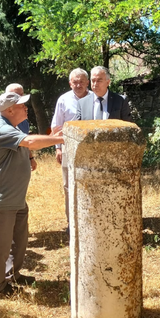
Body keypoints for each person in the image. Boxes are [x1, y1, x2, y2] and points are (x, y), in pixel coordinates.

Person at [0, 92, 64, 296]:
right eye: (21, 105)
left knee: (19, 242)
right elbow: (30, 142)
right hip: (1, 199)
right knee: (0, 246)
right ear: (9, 110)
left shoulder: (13, 128)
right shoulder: (0, 129)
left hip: (16, 198)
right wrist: (60, 139)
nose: (25, 107)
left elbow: (26, 146)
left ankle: (12, 275)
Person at [50, 68, 91, 226]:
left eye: (81, 81)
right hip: (68, 148)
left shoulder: (95, 98)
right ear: (70, 83)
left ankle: (88, 220)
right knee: (69, 185)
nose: (78, 85)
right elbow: (56, 126)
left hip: (90, 149)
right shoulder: (63, 100)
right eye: (75, 82)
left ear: (87, 82)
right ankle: (72, 222)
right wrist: (58, 148)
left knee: (90, 182)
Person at [0, 83, 36, 171]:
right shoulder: (0, 116)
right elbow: (28, 141)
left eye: (21, 95)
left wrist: (30, 158)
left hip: (20, 165)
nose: (19, 98)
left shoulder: (21, 115)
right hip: (7, 168)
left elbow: (24, 138)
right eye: (15, 95)